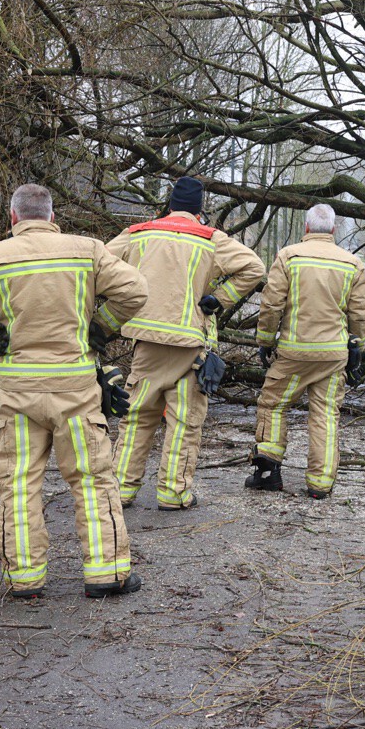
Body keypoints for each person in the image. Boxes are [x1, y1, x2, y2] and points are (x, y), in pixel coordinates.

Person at [0, 184, 149, 599]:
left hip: (17, 391)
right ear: (51, 216)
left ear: (13, 217)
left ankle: (24, 578)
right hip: (76, 389)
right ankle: (106, 574)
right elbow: (135, 291)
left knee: (18, 484)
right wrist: (100, 327)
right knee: (92, 481)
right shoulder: (87, 251)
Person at [106, 175, 265, 510]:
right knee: (184, 422)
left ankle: (121, 489)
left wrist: (121, 303)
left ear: (170, 205)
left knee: (136, 418)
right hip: (190, 346)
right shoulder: (210, 238)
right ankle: (173, 492)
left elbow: (100, 266)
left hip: (146, 342)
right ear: (199, 209)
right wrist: (219, 298)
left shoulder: (138, 233)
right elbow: (254, 267)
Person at [247, 204, 365, 500]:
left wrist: (265, 340)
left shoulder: (289, 257)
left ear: (306, 227)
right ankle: (320, 484)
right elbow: (359, 313)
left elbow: (271, 304)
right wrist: (356, 347)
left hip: (294, 353)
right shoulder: (352, 263)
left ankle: (268, 473)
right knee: (325, 415)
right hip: (332, 356)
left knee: (274, 405)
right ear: (333, 229)